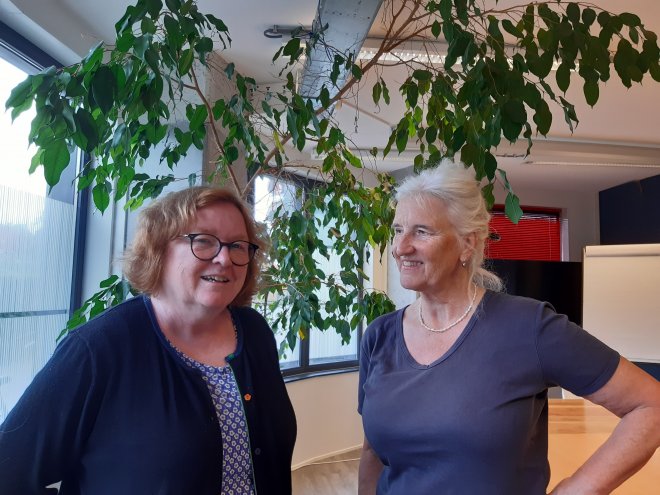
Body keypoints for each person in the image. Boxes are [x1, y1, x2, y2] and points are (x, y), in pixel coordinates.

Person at [357, 159, 660, 494]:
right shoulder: (379, 336)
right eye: (398, 230)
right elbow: (372, 453)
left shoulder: (529, 327)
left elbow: (650, 405)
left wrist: (575, 490)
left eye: (422, 231)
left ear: (467, 243)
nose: (400, 247)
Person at [0, 186, 297, 494]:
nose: (225, 258)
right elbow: (8, 472)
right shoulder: (98, 349)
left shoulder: (256, 332)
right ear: (158, 248)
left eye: (237, 246)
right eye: (204, 241)